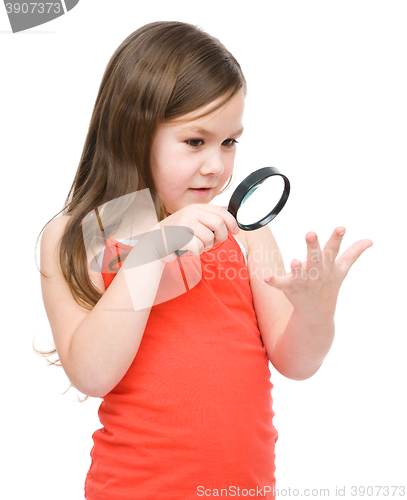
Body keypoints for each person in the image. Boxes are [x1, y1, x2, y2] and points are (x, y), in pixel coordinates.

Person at [37, 21, 373, 500]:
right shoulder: (80, 234)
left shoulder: (244, 233)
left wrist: (316, 313)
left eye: (229, 142)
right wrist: (149, 253)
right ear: (134, 131)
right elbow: (92, 374)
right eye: (195, 142)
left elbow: (296, 362)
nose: (217, 165)